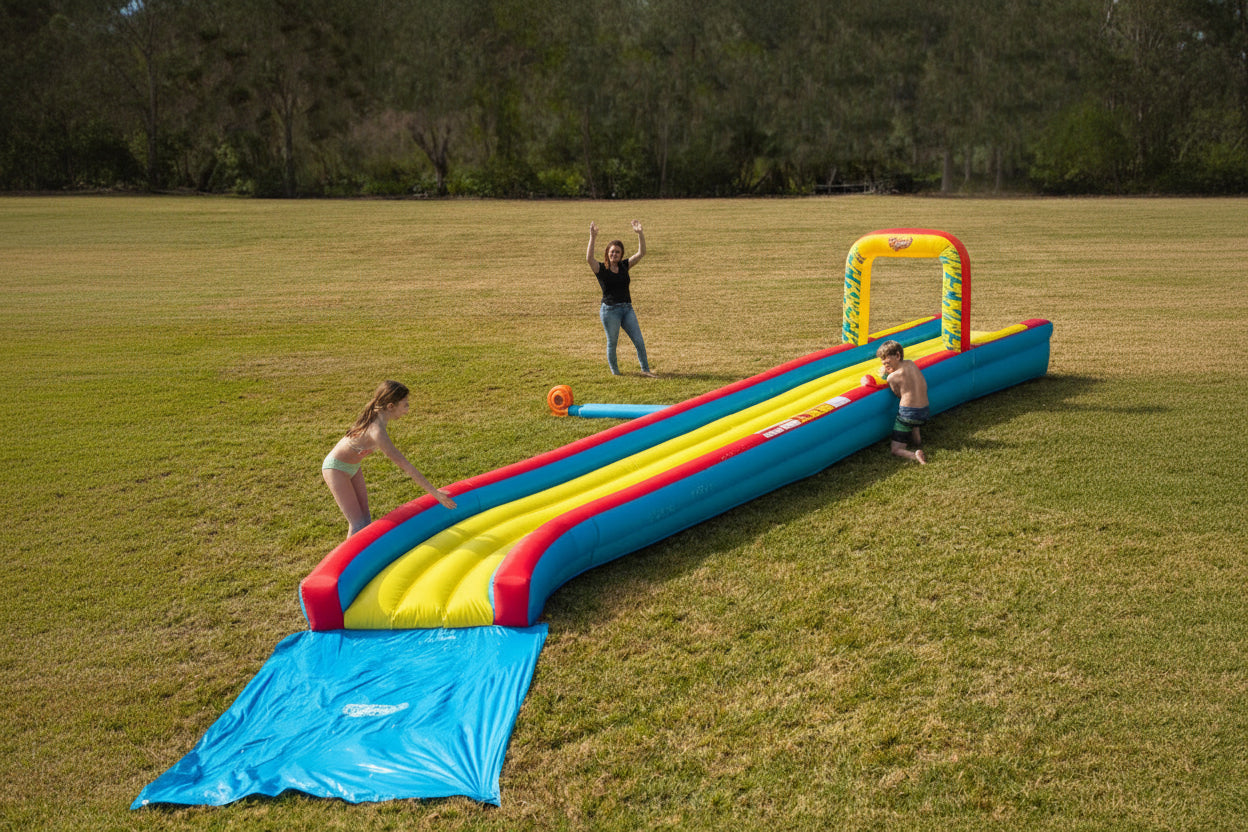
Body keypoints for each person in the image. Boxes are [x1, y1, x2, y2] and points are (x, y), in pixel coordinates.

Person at [322, 380, 456, 538]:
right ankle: (351, 561)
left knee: (365, 520)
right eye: (405, 405)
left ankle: (364, 556)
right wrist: (435, 493)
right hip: (336, 469)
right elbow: (405, 465)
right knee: (357, 523)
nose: (407, 410)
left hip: (352, 467)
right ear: (391, 406)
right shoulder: (377, 432)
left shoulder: (376, 419)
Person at [586, 219, 657, 377]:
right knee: (612, 342)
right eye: (612, 251)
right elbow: (589, 259)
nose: (614, 254)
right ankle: (616, 373)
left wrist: (640, 234)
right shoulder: (601, 269)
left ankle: (645, 370)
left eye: (617, 252)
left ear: (621, 254)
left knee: (638, 340)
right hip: (610, 311)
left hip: (627, 309)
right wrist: (593, 237)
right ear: (607, 253)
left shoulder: (625, 266)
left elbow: (641, 253)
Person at [876, 340, 929, 464]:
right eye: (883, 362)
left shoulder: (892, 377)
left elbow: (898, 394)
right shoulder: (911, 364)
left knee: (895, 449)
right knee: (914, 421)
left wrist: (886, 376)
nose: (885, 364)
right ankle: (917, 441)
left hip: (909, 414)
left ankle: (914, 456)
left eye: (887, 362)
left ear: (898, 356)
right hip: (925, 411)